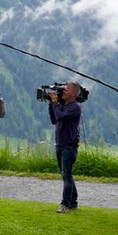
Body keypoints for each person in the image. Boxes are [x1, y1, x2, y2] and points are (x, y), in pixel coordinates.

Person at [48, 81, 82, 213]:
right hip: (60, 144)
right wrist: (52, 104)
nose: (63, 91)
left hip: (69, 146)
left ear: (73, 94)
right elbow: (54, 119)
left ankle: (65, 204)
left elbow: (60, 116)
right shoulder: (63, 105)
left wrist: (55, 103)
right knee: (65, 174)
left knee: (66, 175)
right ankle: (73, 201)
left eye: (66, 90)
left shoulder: (75, 107)